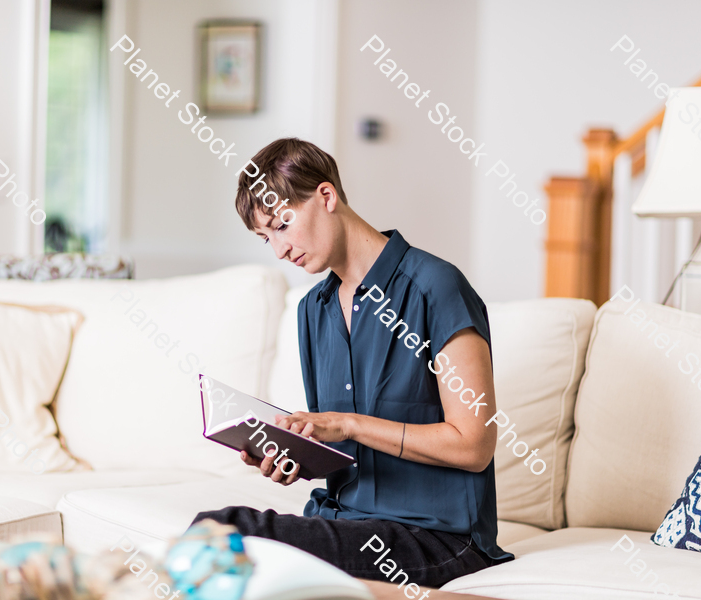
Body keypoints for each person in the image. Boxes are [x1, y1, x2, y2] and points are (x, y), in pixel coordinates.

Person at [193, 138, 512, 587]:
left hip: (440, 536)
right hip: (346, 520)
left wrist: (348, 424)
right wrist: (297, 454)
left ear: (326, 197)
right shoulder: (312, 311)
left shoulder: (436, 288)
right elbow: (344, 450)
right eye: (267, 238)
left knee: (227, 535)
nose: (279, 250)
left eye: (283, 224)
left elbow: (474, 445)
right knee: (215, 533)